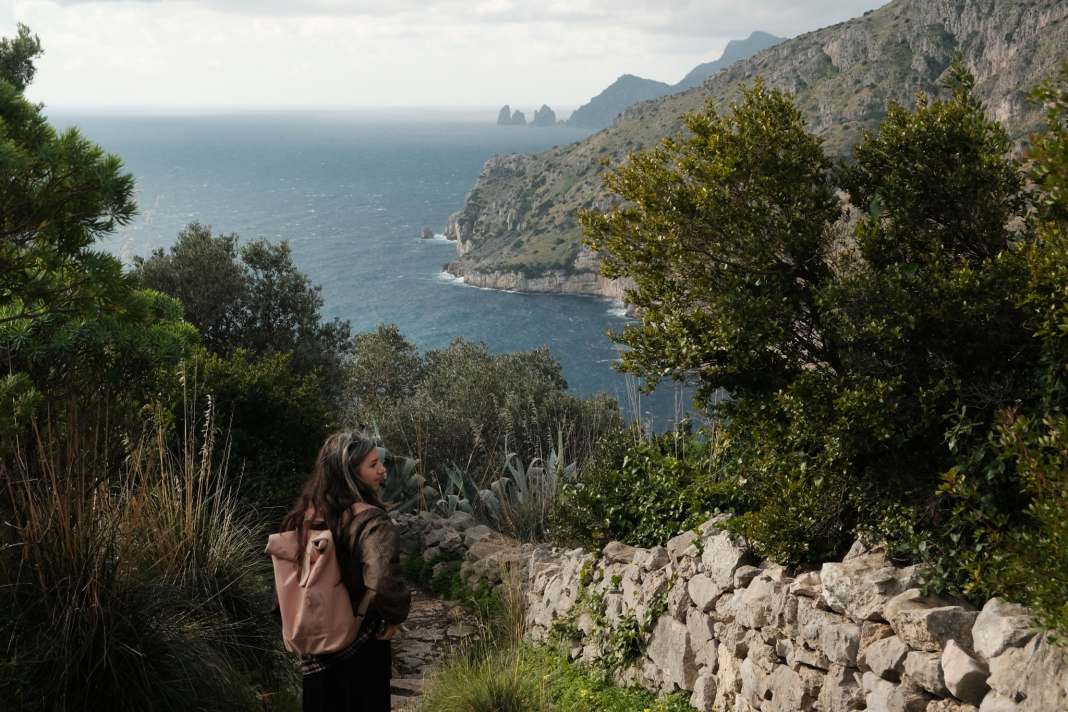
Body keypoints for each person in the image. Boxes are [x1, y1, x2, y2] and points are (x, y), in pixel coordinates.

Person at [279, 430, 411, 712]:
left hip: (315, 642)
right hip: (361, 640)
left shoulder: (306, 516)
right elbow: (383, 579)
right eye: (373, 464)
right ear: (351, 473)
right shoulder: (370, 520)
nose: (382, 470)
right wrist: (395, 616)